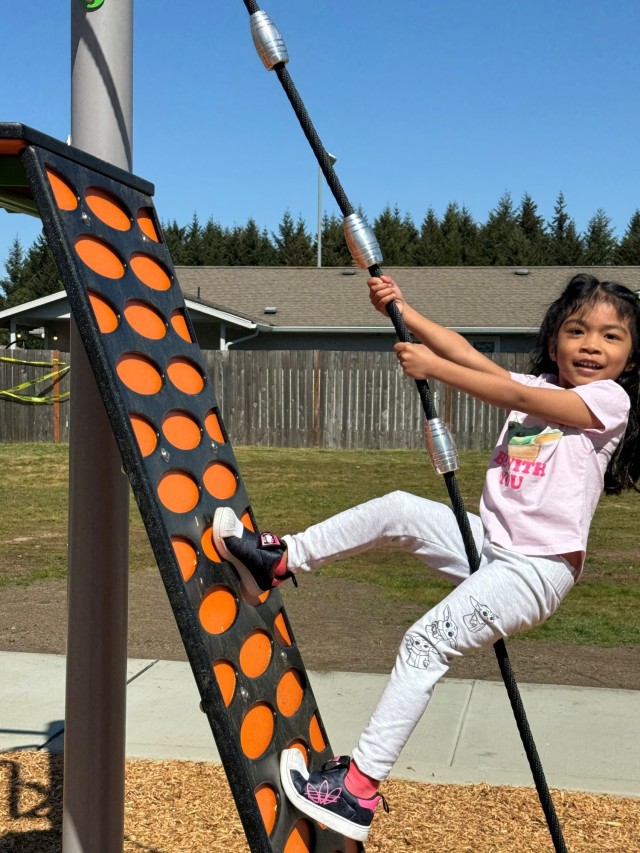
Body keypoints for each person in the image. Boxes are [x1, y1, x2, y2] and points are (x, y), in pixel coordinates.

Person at [213, 272, 640, 842]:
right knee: (397, 509)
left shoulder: (607, 401)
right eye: (576, 330)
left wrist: (436, 372)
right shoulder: (539, 381)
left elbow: (515, 396)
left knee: (424, 642)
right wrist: (404, 311)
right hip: (492, 544)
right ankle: (279, 560)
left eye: (610, 337)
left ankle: (358, 791)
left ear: (631, 356)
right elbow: (467, 352)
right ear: (555, 338)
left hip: (536, 570)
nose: (591, 344)